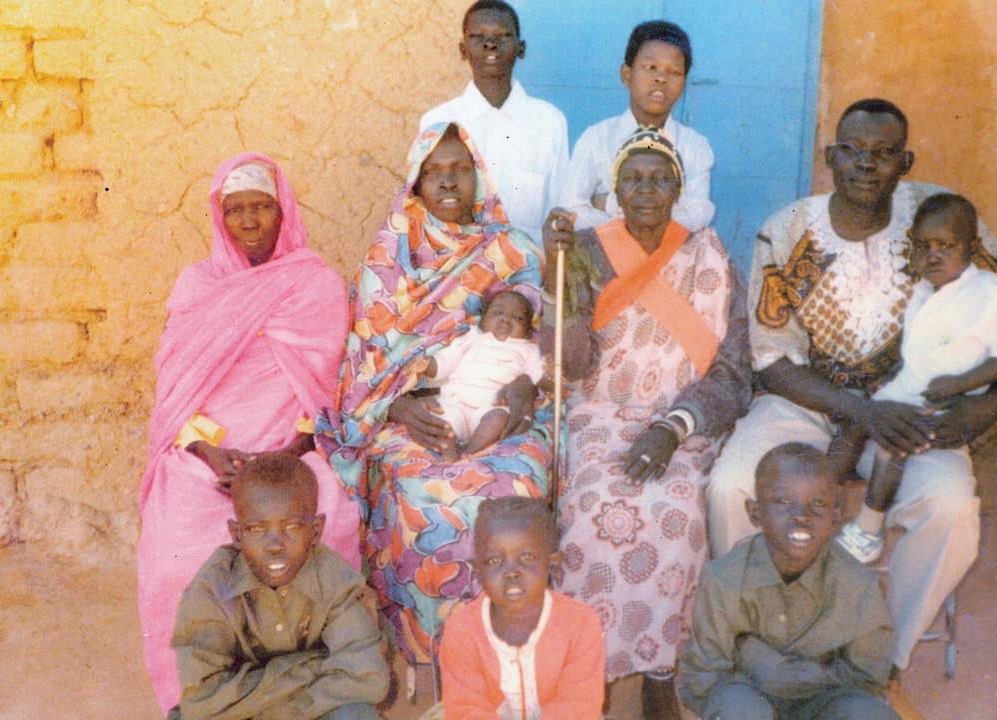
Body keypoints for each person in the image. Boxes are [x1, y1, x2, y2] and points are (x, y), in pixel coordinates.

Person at [704, 98, 997, 675]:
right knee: (731, 488)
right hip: (807, 401)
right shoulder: (783, 232)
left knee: (952, 510)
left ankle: (881, 659)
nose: (867, 165)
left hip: (912, 411)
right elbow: (771, 360)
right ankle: (756, 643)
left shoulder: (943, 221)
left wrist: (988, 408)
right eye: (853, 151)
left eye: (884, 154)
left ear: (905, 162)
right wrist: (859, 409)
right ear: (831, 156)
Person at [313, 122, 550, 669]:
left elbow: (544, 349)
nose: (448, 181)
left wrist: (522, 389)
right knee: (421, 495)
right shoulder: (387, 257)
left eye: (460, 169)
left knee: (514, 485)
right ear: (416, 183)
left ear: (479, 178)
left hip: (505, 413)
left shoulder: (511, 251)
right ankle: (429, 659)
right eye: (434, 171)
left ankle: (509, 656)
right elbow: (366, 362)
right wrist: (397, 407)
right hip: (408, 417)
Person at [137, 154, 362, 714]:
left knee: (329, 505)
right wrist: (212, 455)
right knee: (177, 531)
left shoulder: (317, 284)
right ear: (220, 217)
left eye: (261, 206)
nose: (249, 220)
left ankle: (320, 667)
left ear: (283, 211)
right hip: (213, 455)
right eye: (235, 209)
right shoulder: (197, 286)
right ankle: (195, 683)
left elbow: (327, 394)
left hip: (291, 450)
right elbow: (176, 394)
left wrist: (283, 458)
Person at [543, 126, 751, 719]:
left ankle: (661, 672)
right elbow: (570, 363)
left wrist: (676, 426)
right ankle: (595, 670)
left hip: (681, 422)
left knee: (678, 512)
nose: (645, 190)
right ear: (614, 187)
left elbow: (734, 369)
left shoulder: (709, 256)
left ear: (678, 189)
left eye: (660, 179)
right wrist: (556, 278)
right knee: (587, 510)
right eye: (633, 178)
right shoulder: (585, 249)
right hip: (598, 413)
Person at [831, 193, 997, 563]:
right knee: (854, 422)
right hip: (910, 390)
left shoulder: (989, 294)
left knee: (894, 446)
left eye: (945, 246)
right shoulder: (925, 290)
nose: (932, 255)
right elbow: (919, 353)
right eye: (922, 246)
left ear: (971, 247)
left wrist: (961, 385)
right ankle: (825, 497)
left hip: (939, 405)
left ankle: (867, 530)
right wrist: (890, 375)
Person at [680, 443, 899, 720]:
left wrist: (771, 667)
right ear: (755, 512)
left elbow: (867, 675)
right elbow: (705, 676)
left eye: (817, 504)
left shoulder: (858, 584)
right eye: (783, 501)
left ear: (835, 518)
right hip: (747, 694)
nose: (801, 516)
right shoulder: (724, 580)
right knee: (741, 712)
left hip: (824, 702)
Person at [169, 453, 389, 720]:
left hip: (284, 712)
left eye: (292, 526)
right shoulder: (211, 589)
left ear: (316, 531)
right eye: (258, 529)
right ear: (237, 535)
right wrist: (315, 665)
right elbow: (203, 700)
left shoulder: (335, 579)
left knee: (357, 715)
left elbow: (367, 678)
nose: (275, 545)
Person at [436, 497, 606, 719]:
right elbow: (466, 708)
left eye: (526, 557)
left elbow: (578, 703)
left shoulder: (581, 623)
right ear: (477, 570)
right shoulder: (461, 629)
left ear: (552, 564)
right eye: (494, 560)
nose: (511, 572)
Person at [420, 0, 569, 244]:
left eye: (503, 35)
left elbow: (557, 210)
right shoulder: (438, 121)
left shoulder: (549, 122)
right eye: (478, 36)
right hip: (457, 273)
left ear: (521, 48)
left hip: (528, 275)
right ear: (462, 49)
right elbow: (423, 212)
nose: (490, 44)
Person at [560, 20, 715, 232]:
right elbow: (572, 210)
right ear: (626, 74)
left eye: (674, 72)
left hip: (672, 262)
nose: (661, 78)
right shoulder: (596, 138)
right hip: (605, 261)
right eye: (651, 67)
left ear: (684, 84)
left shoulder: (695, 146)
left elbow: (697, 215)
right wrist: (643, 225)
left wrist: (609, 204)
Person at [419, 290, 546, 461]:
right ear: (484, 318)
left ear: (528, 330)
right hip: (455, 401)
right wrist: (428, 365)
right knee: (436, 418)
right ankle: (448, 449)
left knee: (499, 418)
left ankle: (469, 452)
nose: (506, 319)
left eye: (517, 318)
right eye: (498, 313)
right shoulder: (471, 338)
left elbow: (537, 376)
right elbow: (444, 363)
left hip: (491, 405)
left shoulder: (527, 349)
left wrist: (550, 375)